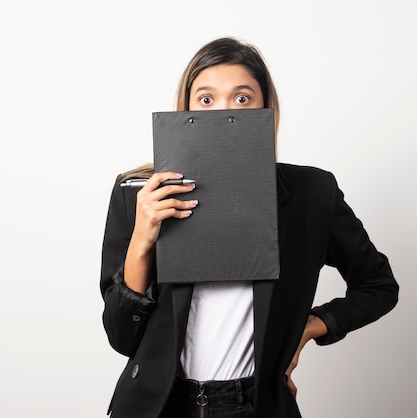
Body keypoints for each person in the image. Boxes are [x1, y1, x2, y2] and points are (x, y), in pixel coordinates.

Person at [99, 37, 399, 418]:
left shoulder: (311, 194)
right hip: (159, 406)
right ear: (186, 109)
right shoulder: (136, 194)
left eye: (242, 98)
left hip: (255, 405)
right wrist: (143, 236)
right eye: (206, 99)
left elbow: (378, 285)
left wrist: (309, 327)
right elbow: (122, 338)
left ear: (265, 110)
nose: (226, 113)